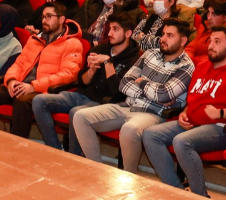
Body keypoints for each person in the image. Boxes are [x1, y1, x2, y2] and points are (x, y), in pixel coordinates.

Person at [143, 26, 226, 197]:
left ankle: (200, 197)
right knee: (150, 135)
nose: (211, 46)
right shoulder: (202, 66)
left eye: (217, 42)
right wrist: (185, 112)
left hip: (221, 128)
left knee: (181, 141)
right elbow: (193, 98)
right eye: (210, 41)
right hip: (193, 122)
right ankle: (175, 190)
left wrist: (222, 113)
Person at [72, 18, 195, 172]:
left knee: (130, 129)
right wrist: (153, 93)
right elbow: (124, 84)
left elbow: (164, 94)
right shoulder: (150, 54)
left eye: (170, 36)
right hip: (128, 106)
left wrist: (142, 82)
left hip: (153, 113)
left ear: (183, 41)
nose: (163, 39)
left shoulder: (186, 66)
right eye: (163, 34)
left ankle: (129, 177)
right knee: (80, 116)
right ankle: (97, 169)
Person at [0, 3, 84, 138]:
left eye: (49, 16)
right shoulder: (35, 39)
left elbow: (68, 75)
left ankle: (15, 145)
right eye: (43, 17)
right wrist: (11, 80)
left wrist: (33, 86)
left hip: (42, 91)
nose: (44, 20)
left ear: (61, 19)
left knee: (21, 101)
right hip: (20, 85)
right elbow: (18, 64)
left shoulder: (72, 43)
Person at [31, 13, 141, 151]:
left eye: (115, 29)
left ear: (128, 33)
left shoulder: (134, 60)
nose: (110, 33)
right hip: (81, 94)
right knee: (39, 100)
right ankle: (55, 149)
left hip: (101, 102)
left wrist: (107, 62)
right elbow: (82, 81)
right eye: (110, 28)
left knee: (76, 113)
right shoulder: (100, 48)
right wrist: (91, 71)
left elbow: (116, 91)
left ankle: (74, 157)